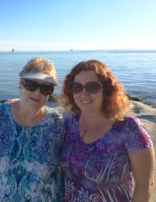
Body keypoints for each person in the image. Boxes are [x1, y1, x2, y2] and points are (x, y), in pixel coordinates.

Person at [60, 59, 155, 202]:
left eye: (92, 87)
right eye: (77, 87)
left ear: (107, 90)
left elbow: (145, 185)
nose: (84, 93)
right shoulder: (69, 122)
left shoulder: (128, 128)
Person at [0, 57, 64, 202]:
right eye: (31, 84)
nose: (37, 93)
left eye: (46, 87)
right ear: (21, 84)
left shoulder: (56, 123)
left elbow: (66, 168)